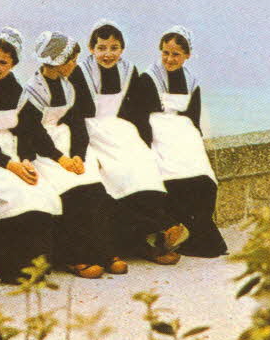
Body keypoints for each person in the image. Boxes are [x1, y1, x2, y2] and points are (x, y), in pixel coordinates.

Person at [78, 19, 190, 264]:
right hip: (90, 132)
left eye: (114, 48)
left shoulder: (129, 71)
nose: (108, 54)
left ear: (122, 49)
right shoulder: (80, 72)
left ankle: (156, 239)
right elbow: (73, 114)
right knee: (116, 175)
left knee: (144, 166)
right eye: (102, 48)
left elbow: (138, 112)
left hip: (119, 130)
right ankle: (164, 227)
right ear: (91, 48)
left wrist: (145, 142)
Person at [0, 29, 63, 283]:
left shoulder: (18, 91)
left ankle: (36, 265)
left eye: (2, 63)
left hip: (16, 153)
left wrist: (26, 159)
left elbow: (29, 129)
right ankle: (10, 267)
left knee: (42, 190)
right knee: (15, 194)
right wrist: (11, 165)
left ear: (14, 65)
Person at [18, 32, 117, 277]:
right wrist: (60, 158)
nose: (75, 64)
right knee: (73, 193)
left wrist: (78, 156)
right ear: (57, 60)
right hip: (45, 152)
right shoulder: (32, 91)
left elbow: (77, 123)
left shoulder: (68, 86)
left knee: (95, 189)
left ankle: (104, 252)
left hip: (68, 147)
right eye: (71, 60)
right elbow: (33, 131)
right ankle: (76, 257)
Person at [140, 26, 228, 258]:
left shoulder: (192, 80)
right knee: (173, 178)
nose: (170, 59)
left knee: (203, 180)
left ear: (187, 55)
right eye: (165, 53)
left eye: (176, 54)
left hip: (183, 134)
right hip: (158, 133)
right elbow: (141, 116)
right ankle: (187, 234)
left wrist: (194, 143)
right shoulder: (149, 77)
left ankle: (199, 236)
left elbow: (193, 116)